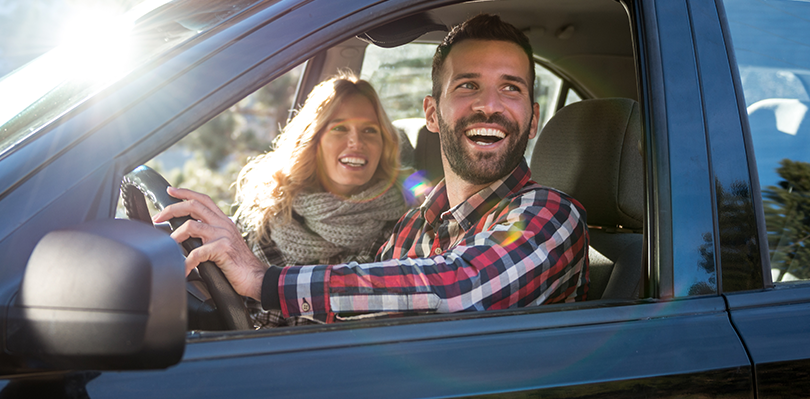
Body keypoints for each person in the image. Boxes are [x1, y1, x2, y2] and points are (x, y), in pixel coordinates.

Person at [154, 14, 589, 323]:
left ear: (533, 118)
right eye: (468, 85)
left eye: (510, 88)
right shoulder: (413, 226)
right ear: (432, 114)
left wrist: (263, 281)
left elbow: (457, 289)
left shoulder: (552, 216)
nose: (489, 105)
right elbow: (358, 316)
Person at [233, 73, 408, 268]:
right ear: (314, 140)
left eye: (369, 130)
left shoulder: (406, 224)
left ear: (384, 144)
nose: (357, 142)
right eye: (340, 128)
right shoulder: (265, 208)